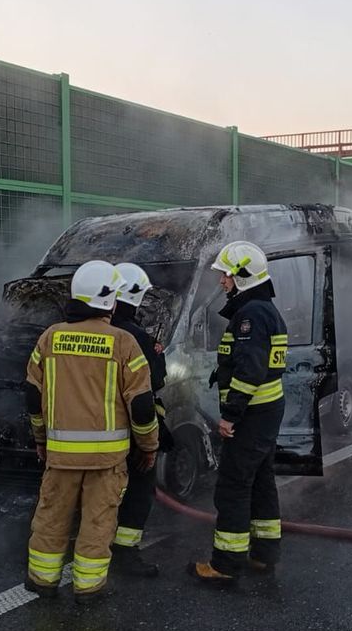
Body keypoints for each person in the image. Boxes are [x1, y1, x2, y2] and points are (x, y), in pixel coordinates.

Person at [24, 261, 160, 603]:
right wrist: (148, 446)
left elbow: (32, 397)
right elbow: (142, 407)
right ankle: (88, 588)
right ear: (110, 302)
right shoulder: (124, 343)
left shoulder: (49, 338)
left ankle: (42, 580)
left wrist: (40, 440)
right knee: (97, 523)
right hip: (106, 459)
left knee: (52, 517)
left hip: (59, 456)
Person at [189, 241, 288, 584]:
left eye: (226, 276)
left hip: (252, 414)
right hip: (266, 411)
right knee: (261, 482)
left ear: (242, 275)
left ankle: (225, 563)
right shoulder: (265, 309)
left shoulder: (251, 315)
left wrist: (230, 415)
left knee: (233, 485)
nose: (222, 282)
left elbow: (250, 370)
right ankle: (263, 555)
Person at [109, 262, 173, 578]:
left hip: (90, 430)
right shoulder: (137, 337)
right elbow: (153, 384)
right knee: (138, 487)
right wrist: (156, 354)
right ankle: (125, 551)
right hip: (129, 431)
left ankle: (92, 545)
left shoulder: (77, 330)